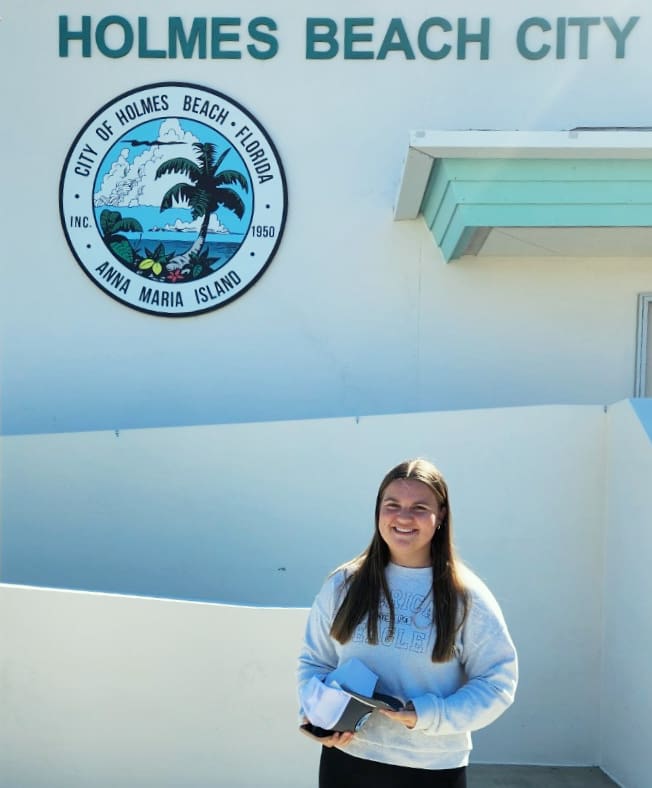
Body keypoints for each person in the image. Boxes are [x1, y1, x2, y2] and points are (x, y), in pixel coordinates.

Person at [297, 458, 518, 788]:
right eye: (393, 505)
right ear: (378, 511)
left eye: (419, 507)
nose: (403, 517)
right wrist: (319, 715)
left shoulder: (467, 596)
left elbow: (498, 683)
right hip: (347, 762)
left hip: (431, 770)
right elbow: (315, 662)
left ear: (440, 514)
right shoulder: (343, 584)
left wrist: (426, 715)